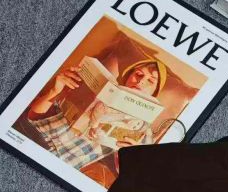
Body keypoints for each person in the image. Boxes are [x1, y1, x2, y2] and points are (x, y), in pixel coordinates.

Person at [26, 58, 166, 170]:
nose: (141, 81)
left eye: (151, 80)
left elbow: (128, 173)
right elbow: (34, 116)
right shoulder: (100, 90)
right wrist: (55, 91)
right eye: (138, 74)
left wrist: (132, 156)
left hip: (62, 163)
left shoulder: (144, 131)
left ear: (155, 92)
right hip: (34, 137)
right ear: (129, 76)